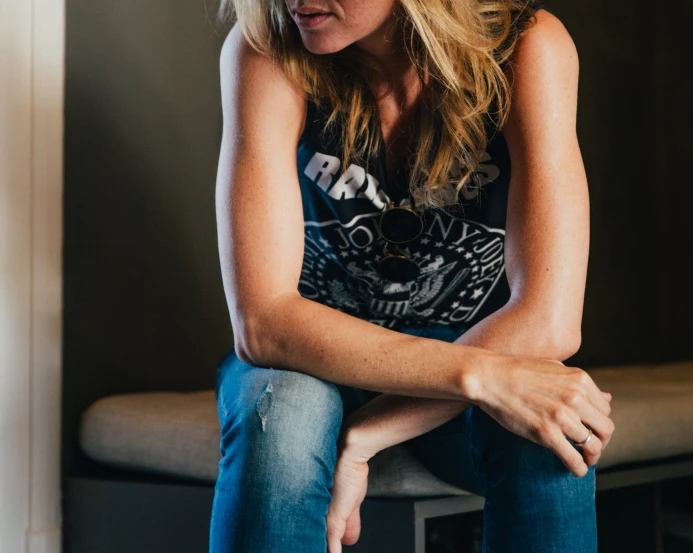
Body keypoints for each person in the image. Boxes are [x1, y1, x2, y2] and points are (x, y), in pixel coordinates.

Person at [209, 0, 615, 552]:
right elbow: (265, 325)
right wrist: (483, 376)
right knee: (284, 413)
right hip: (315, 355)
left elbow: (549, 322)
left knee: (551, 429)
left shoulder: (527, 47)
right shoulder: (269, 52)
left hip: (474, 341)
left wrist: (365, 436)